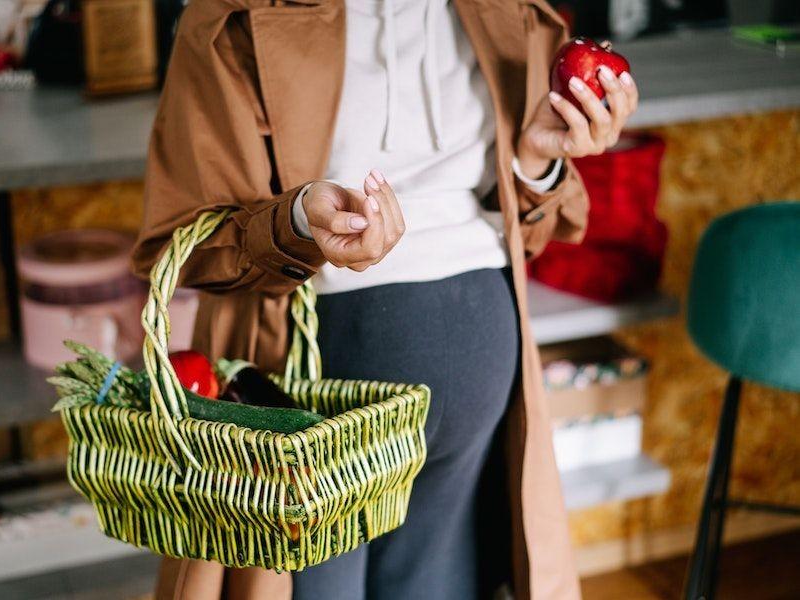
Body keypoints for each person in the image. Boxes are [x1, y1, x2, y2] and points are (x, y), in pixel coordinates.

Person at [132, 0, 638, 598]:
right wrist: (297, 221)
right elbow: (183, 243)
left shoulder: (514, 12)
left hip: (480, 378)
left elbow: (529, 228)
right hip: (311, 410)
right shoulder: (231, 18)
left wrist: (535, 161)